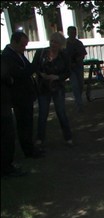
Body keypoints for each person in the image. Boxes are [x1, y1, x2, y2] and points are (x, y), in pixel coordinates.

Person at [1, 31, 42, 159]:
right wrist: (36, 62)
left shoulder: (18, 54)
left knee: (28, 123)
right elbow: (21, 74)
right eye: (23, 45)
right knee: (23, 124)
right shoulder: (7, 56)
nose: (24, 48)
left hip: (26, 94)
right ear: (15, 42)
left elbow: (27, 68)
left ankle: (30, 148)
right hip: (19, 96)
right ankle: (28, 150)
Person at [32, 31, 73, 149]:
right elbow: (35, 67)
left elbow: (68, 71)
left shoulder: (63, 55)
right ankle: (40, 138)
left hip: (57, 86)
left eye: (56, 42)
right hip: (43, 87)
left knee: (61, 112)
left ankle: (68, 137)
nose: (53, 44)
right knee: (43, 113)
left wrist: (58, 77)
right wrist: (41, 74)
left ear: (60, 45)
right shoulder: (41, 53)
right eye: (52, 41)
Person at [1, 43, 27, 177]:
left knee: (8, 135)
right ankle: (6, 167)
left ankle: (7, 165)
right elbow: (7, 77)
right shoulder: (6, 57)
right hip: (3, 104)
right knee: (7, 135)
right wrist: (9, 79)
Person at [65, 26, 87, 113]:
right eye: (71, 32)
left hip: (79, 66)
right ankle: (79, 104)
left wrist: (79, 58)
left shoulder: (79, 43)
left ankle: (78, 100)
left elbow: (83, 53)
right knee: (75, 85)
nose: (72, 34)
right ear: (68, 33)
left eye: (74, 32)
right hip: (70, 67)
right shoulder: (65, 43)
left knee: (80, 84)